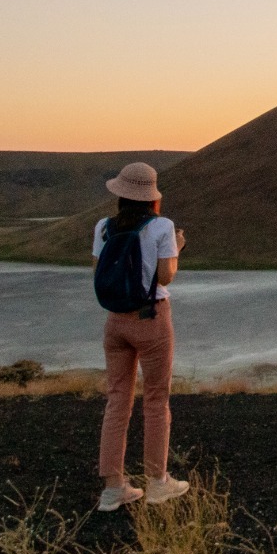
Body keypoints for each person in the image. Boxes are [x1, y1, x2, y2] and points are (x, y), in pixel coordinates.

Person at [92, 161, 190, 511]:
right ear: (152, 197)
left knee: (117, 399)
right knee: (155, 399)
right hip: (151, 318)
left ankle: (113, 488)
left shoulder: (103, 227)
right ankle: (158, 482)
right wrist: (176, 247)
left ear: (120, 193)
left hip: (115, 321)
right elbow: (165, 277)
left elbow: (99, 273)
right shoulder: (163, 226)